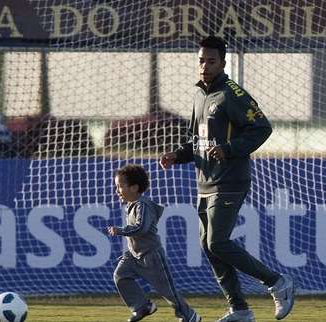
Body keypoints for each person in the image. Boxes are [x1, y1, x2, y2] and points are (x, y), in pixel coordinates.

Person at [159, 36, 295, 322]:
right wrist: (177, 155)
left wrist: (230, 149)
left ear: (223, 63)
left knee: (218, 242)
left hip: (230, 180)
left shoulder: (232, 94)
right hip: (204, 181)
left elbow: (262, 128)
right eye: (201, 60)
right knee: (209, 246)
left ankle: (277, 282)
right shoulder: (199, 95)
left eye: (211, 61)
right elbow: (196, 140)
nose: (204, 66)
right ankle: (240, 309)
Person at [107, 164, 201, 322]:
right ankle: (142, 306)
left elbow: (141, 228)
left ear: (134, 188)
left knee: (167, 291)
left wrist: (120, 230)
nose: (117, 190)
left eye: (120, 186)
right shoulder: (131, 206)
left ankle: (190, 316)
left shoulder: (143, 205)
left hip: (151, 256)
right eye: (116, 186)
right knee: (120, 276)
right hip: (134, 256)